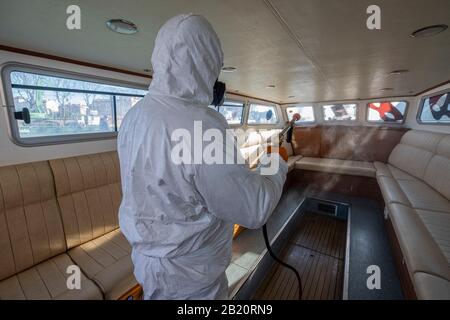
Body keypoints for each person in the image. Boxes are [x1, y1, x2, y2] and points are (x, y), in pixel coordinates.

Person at [117, 14, 288, 300]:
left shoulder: (133, 117)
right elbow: (253, 208)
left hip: (147, 264)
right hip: (192, 280)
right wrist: (276, 161)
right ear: (206, 64)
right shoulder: (201, 126)